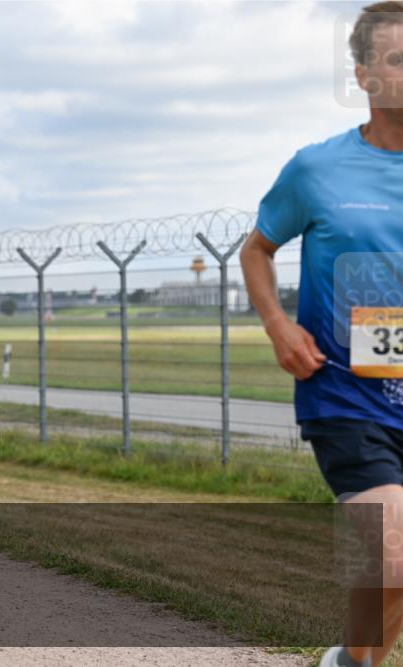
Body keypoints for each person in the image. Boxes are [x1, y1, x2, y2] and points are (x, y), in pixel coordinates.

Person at [241, 4, 403, 665]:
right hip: (346, 396)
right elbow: (256, 249)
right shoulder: (317, 169)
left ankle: (352, 660)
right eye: (395, 59)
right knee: (394, 550)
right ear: (363, 75)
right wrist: (279, 325)